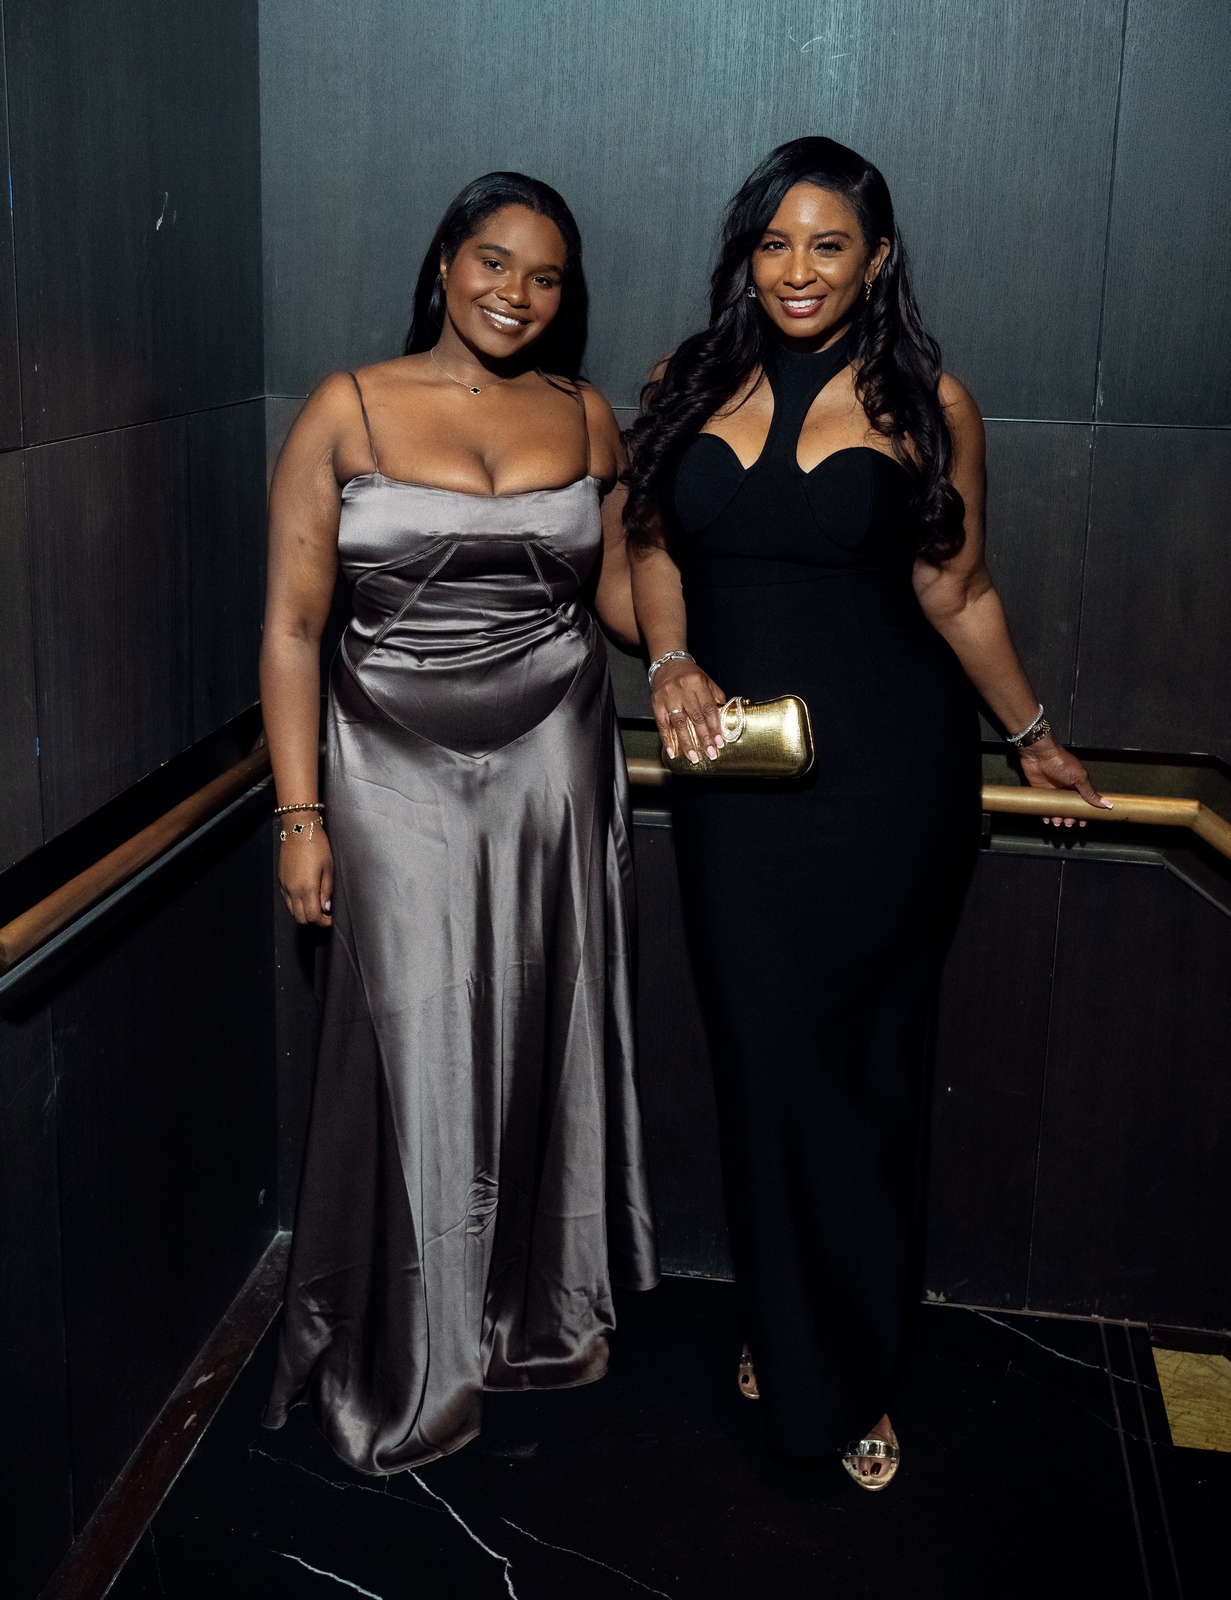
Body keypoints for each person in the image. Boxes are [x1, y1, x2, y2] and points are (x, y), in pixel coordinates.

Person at [624, 136, 1107, 1490]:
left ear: (876, 258)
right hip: (735, 786)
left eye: (828, 244)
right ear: (747, 255)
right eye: (775, 242)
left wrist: (1033, 734)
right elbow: (650, 543)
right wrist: (670, 660)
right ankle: (791, 1328)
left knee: (864, 1077)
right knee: (763, 1065)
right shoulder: (683, 379)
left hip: (890, 785)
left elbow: (959, 591)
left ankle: (847, 1366)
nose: (798, 269)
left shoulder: (927, 402)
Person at [259, 172, 659, 1473]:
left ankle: (523, 1315)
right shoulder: (348, 405)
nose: (516, 294)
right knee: (415, 1040)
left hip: (552, 763)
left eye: (545, 277)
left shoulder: (585, 414)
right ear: (444, 262)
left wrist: (688, 487)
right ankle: (409, 1348)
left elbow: (624, 606)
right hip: (388, 765)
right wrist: (300, 815)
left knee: (542, 1024)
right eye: (494, 262)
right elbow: (294, 628)